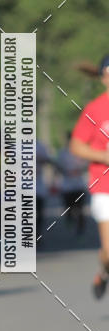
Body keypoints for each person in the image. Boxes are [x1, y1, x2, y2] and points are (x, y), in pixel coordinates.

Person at [70, 54, 109, 298]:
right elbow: (76, 146)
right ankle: (104, 270)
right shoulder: (95, 108)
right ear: (103, 78)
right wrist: (104, 156)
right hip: (104, 186)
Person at [55, 132, 87, 234]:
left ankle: (80, 229)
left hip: (79, 186)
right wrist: (65, 172)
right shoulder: (62, 153)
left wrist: (79, 170)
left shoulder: (80, 151)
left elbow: (86, 165)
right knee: (68, 208)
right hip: (67, 187)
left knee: (80, 209)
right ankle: (70, 223)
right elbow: (58, 167)